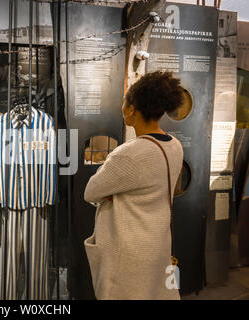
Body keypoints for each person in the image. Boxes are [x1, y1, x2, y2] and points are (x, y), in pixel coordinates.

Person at [83, 71, 184, 300]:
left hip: (128, 252)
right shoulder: (174, 146)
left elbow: (91, 190)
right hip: (157, 245)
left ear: (131, 110)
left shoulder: (129, 153)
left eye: (124, 103)